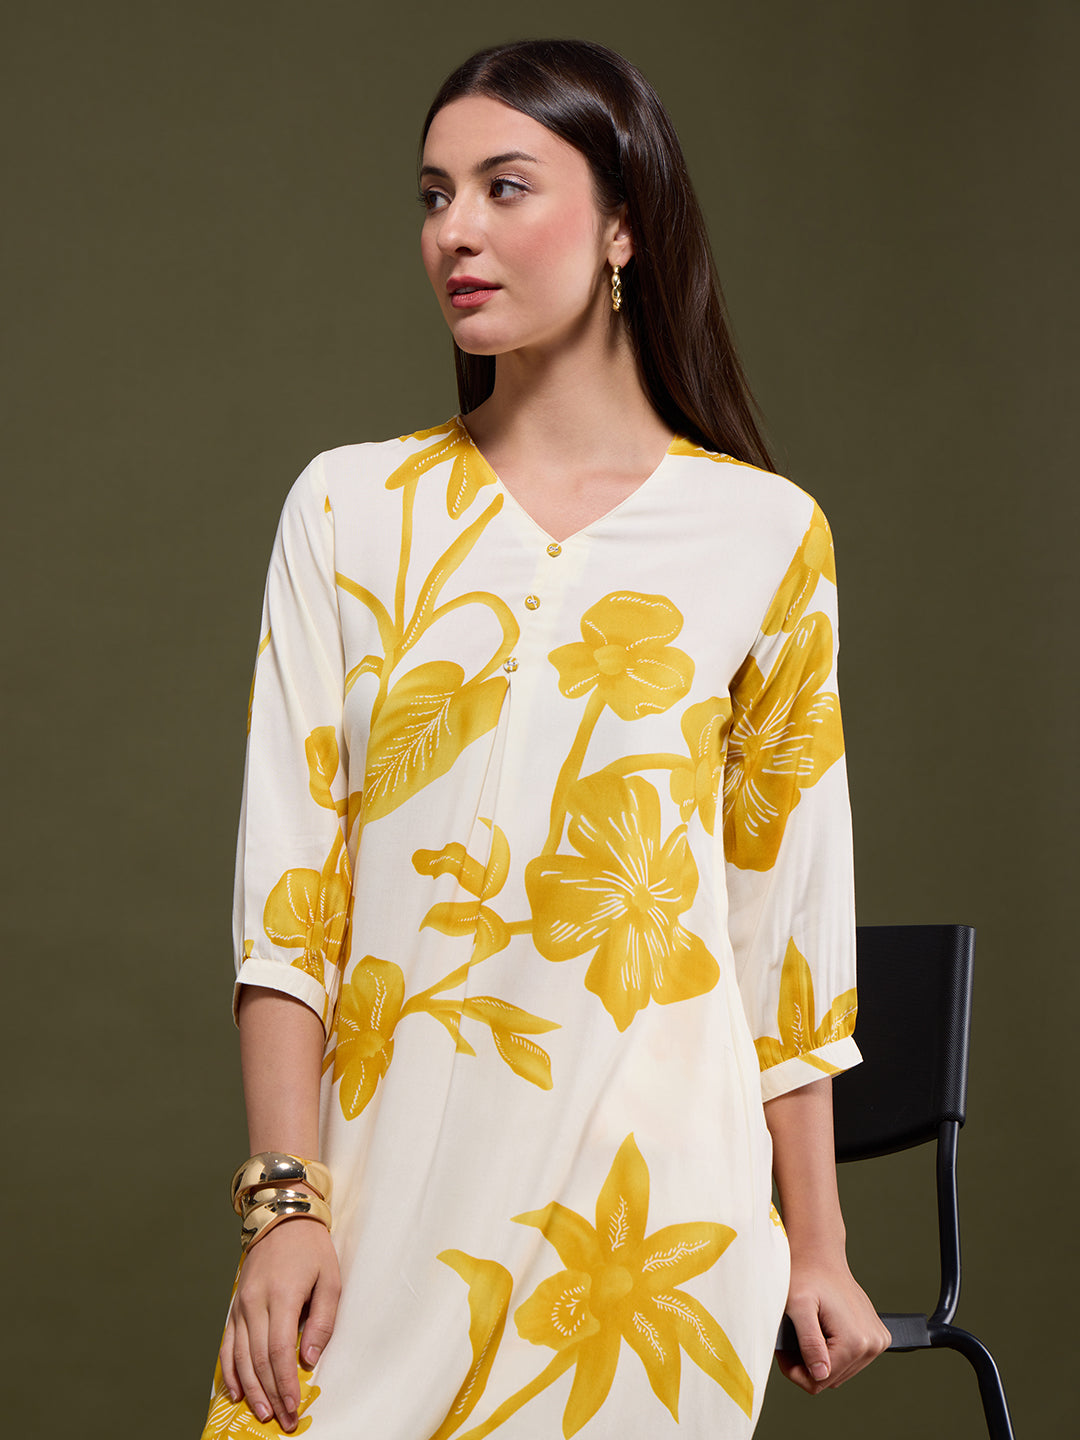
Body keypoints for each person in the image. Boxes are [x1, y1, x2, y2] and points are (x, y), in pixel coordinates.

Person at [202, 37, 890, 1440]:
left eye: (504, 187)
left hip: (643, 1230)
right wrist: (285, 1206)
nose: (454, 230)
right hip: (387, 1192)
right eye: (434, 194)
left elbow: (782, 928)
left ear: (624, 223)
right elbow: (290, 900)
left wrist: (817, 1245)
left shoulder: (765, 536)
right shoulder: (348, 513)